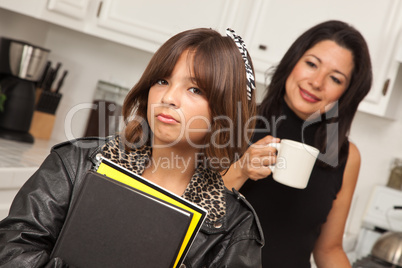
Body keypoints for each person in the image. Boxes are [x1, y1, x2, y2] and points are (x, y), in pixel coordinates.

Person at [0, 28, 263, 267]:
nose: (168, 98)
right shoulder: (75, 163)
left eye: (195, 89)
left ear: (225, 111)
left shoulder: (235, 228)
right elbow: (11, 250)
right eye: (162, 80)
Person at [223, 20, 372, 267]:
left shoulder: (346, 156)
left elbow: (329, 249)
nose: (316, 82)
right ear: (293, 62)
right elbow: (194, 207)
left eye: (335, 78)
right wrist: (240, 170)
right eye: (311, 64)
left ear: (346, 94)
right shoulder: (237, 120)